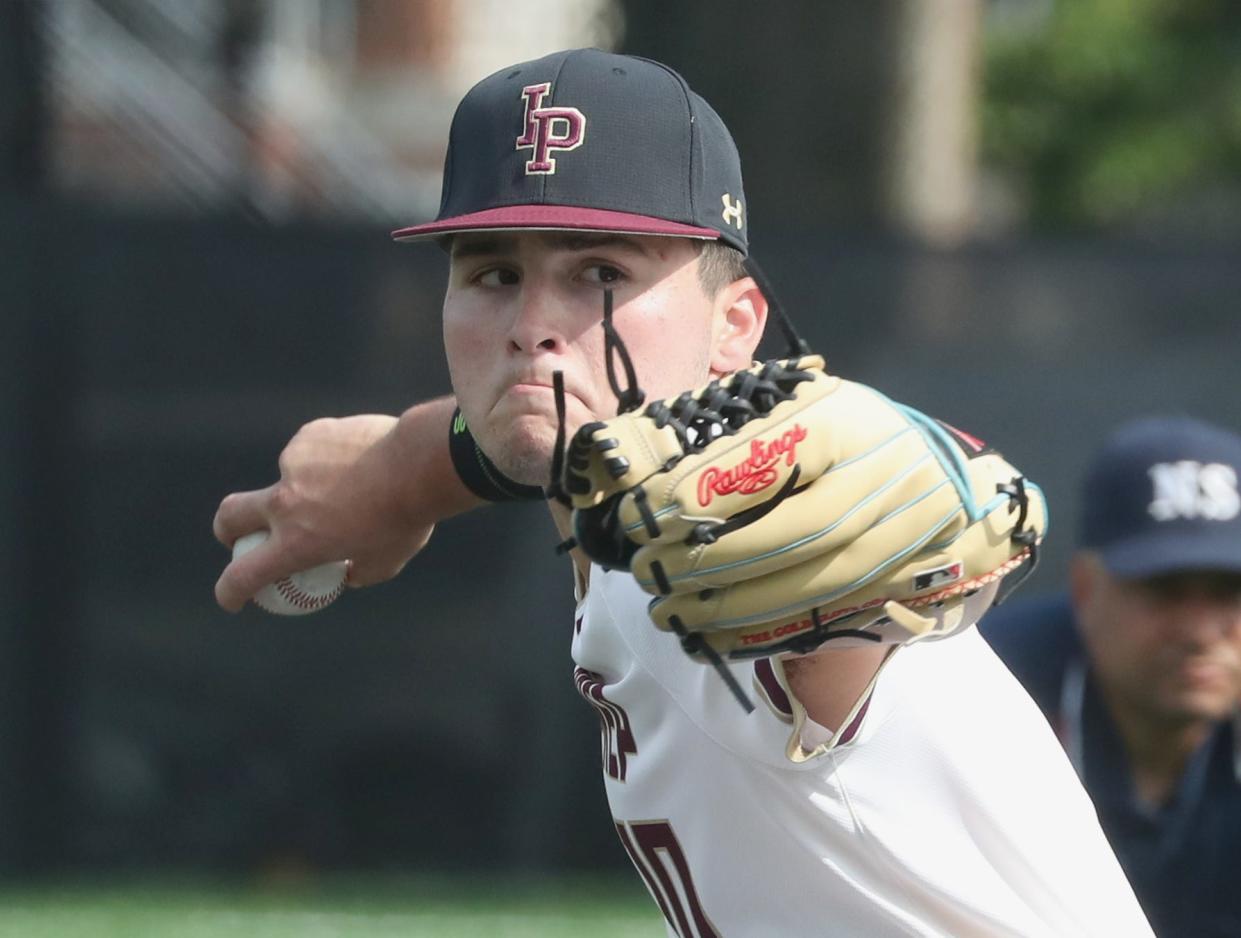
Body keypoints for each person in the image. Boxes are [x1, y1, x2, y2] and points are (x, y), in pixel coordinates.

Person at [213, 48, 1154, 935]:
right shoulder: (611, 511)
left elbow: (856, 537)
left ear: (735, 324)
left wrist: (928, 488)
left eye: (601, 274)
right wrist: (405, 471)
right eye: (494, 273)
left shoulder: (742, 530)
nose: (534, 326)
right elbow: (521, 436)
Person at [981, 416, 1241, 938]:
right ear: (1085, 589)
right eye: (1164, 589)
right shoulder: (984, 696)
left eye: (1228, 590)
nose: (1198, 631)